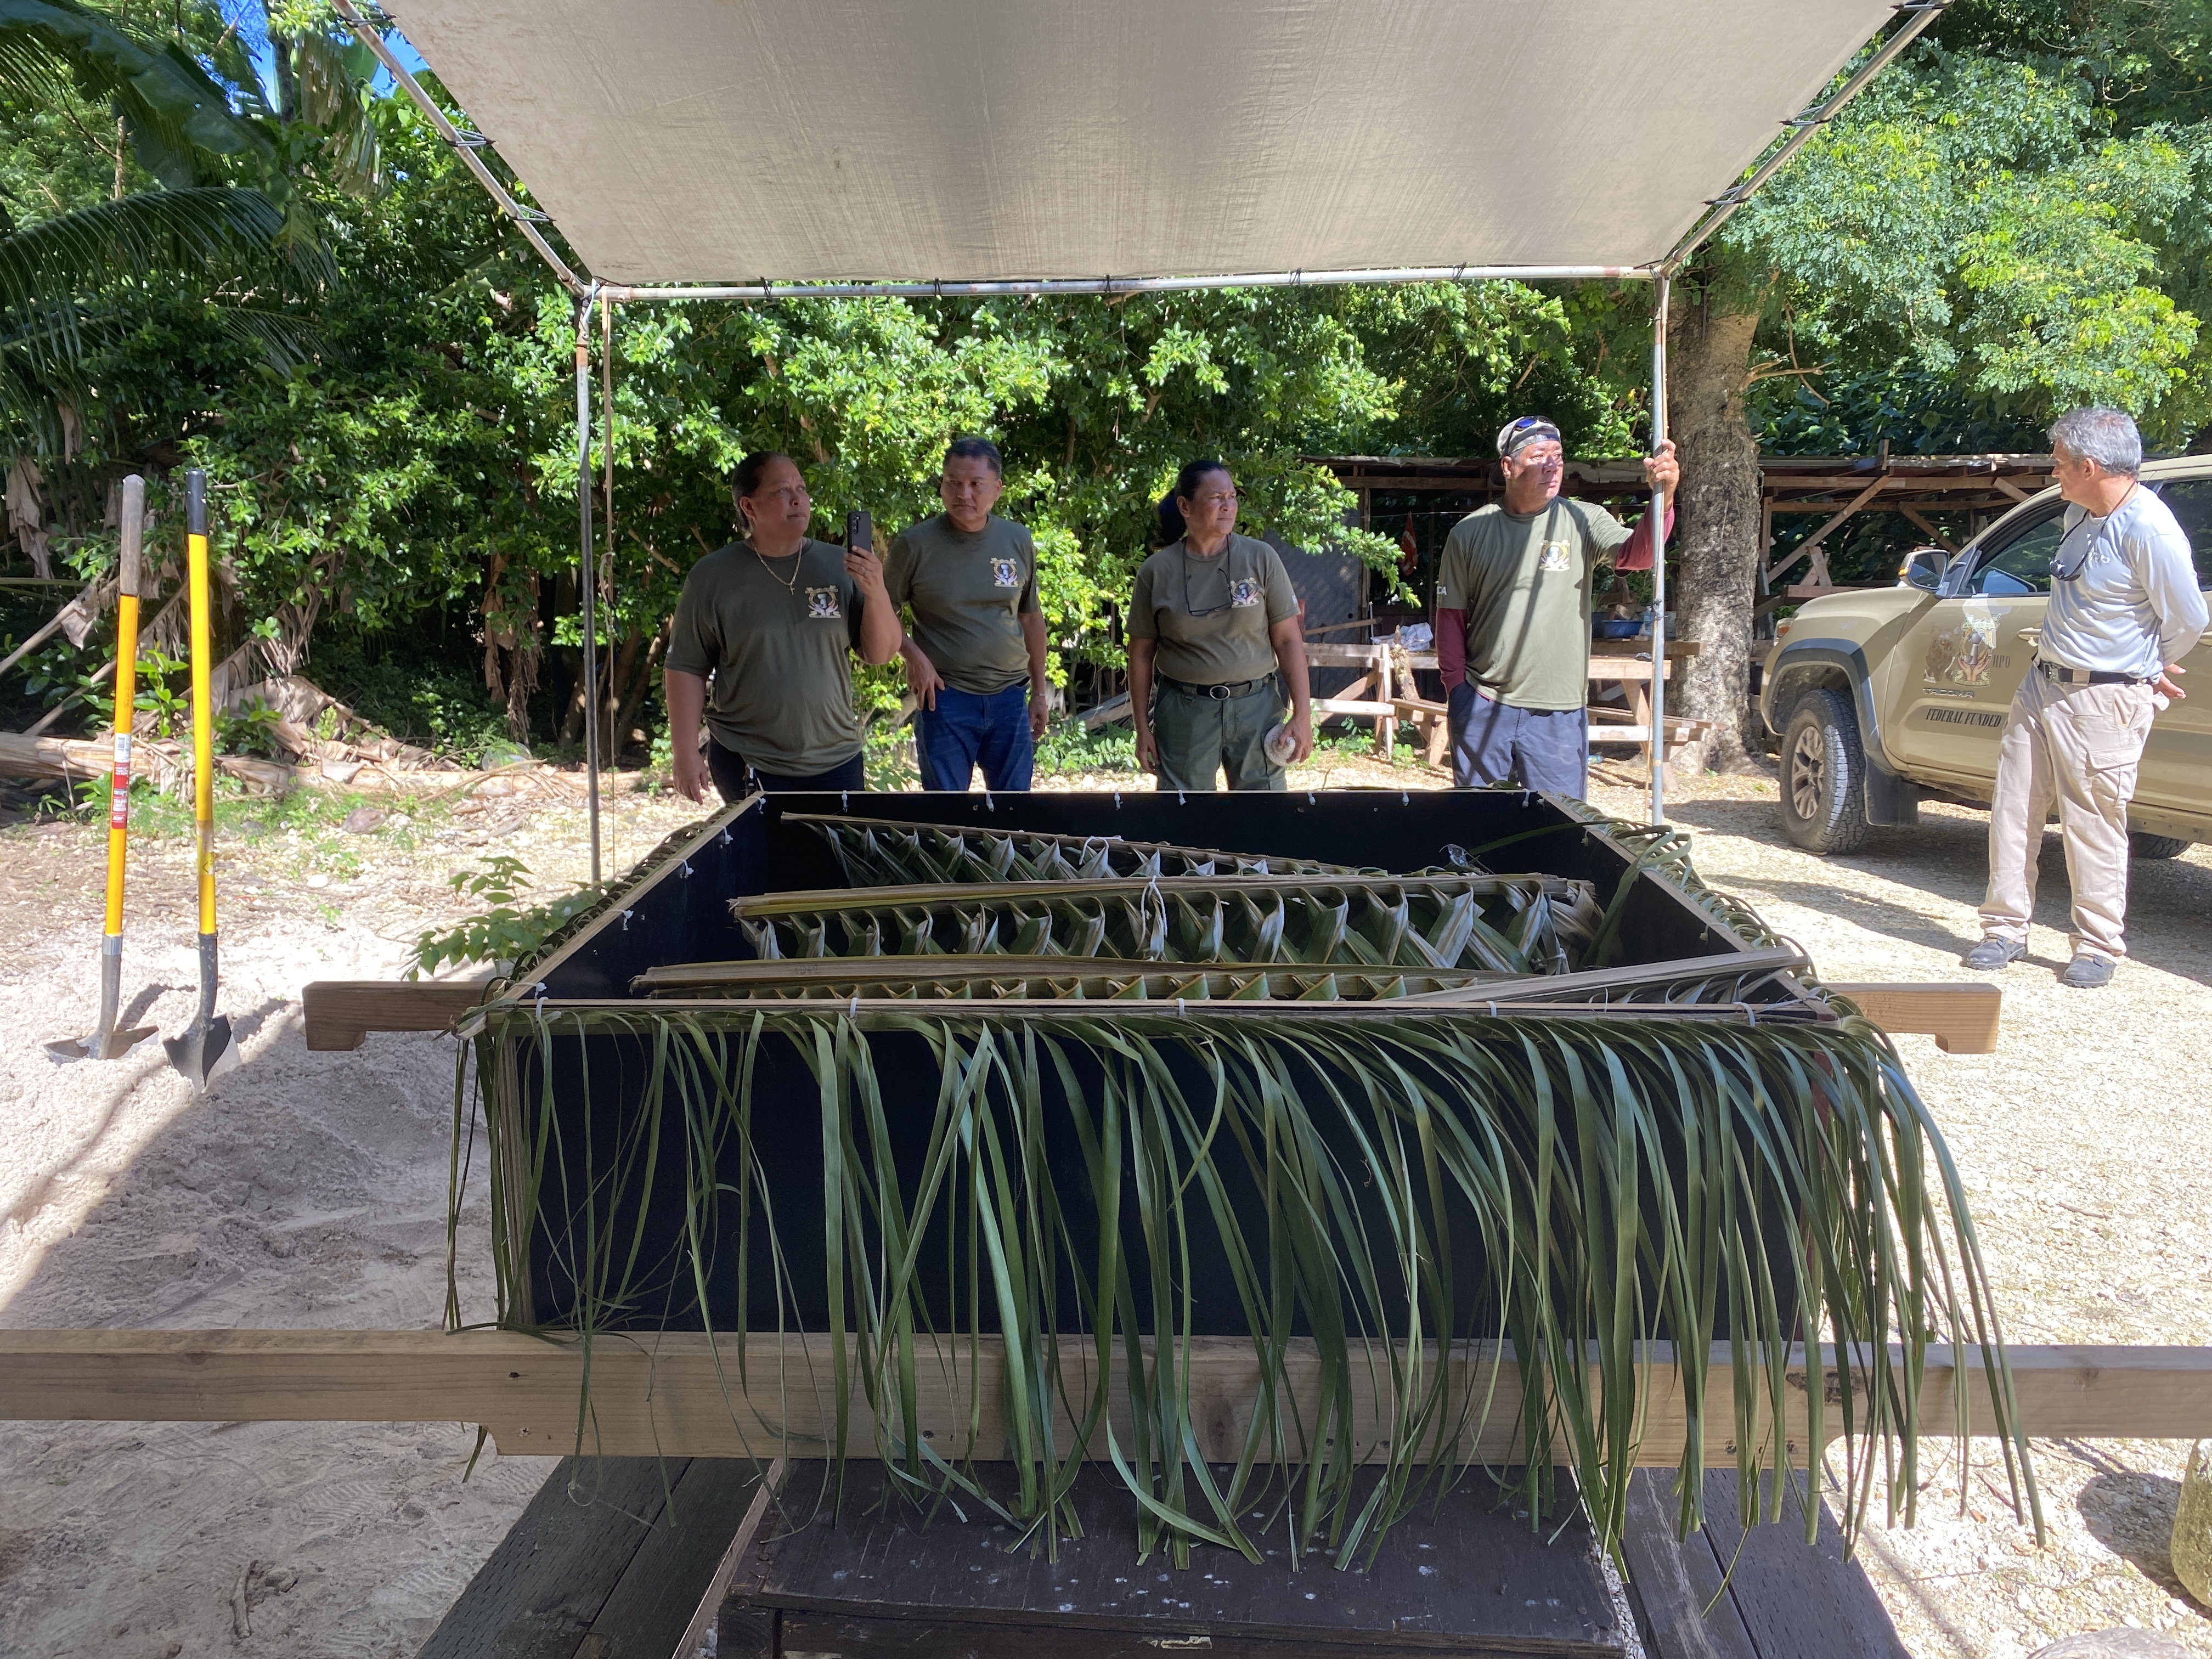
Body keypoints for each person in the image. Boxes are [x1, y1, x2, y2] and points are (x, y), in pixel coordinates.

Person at [1965, 407, 2206, 988]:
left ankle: (2097, 945)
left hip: (2105, 698)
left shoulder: (2149, 529)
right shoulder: (2080, 512)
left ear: (2090, 467)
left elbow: (2189, 619)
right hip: (2043, 683)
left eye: (2059, 463)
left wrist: (2145, 666)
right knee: (2013, 807)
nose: (2054, 473)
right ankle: (2003, 930)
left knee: (2093, 820)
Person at [1434, 416, 1678, 798]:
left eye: (1559, 456)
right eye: (1539, 456)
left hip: (1559, 711)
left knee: (1560, 822)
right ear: (1508, 466)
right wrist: (1459, 692)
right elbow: (1450, 618)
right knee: (1481, 822)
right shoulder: (1470, 533)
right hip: (1484, 702)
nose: (1552, 466)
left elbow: (1639, 555)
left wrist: (1664, 499)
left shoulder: (1583, 520)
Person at [664, 452, 902, 802]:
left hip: (836, 758)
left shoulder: (840, 565)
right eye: (782, 491)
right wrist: (684, 753)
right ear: (749, 506)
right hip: (748, 759)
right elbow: (686, 666)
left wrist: (876, 590)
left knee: (835, 843)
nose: (798, 499)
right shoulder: (713, 576)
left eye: (801, 489)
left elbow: (880, 653)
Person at [1126, 460, 1313, 791]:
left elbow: (1288, 640)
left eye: (1232, 496)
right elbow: (1140, 654)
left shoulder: (1261, 558)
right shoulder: (1157, 571)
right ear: (1185, 506)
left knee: (1264, 814)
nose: (1228, 505)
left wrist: (1302, 715)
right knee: (1183, 814)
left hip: (1256, 709)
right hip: (1185, 712)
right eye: (1216, 498)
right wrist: (1142, 728)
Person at [887, 437, 1051, 791]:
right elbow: (882, 611)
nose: (964, 493)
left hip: (1010, 696)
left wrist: (1039, 692)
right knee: (947, 812)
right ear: (942, 485)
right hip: (945, 697)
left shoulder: (1017, 539)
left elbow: (1030, 618)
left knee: (1014, 810)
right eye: (953, 482)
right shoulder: (915, 545)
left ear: (997, 489)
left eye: (976, 484)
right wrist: (913, 656)